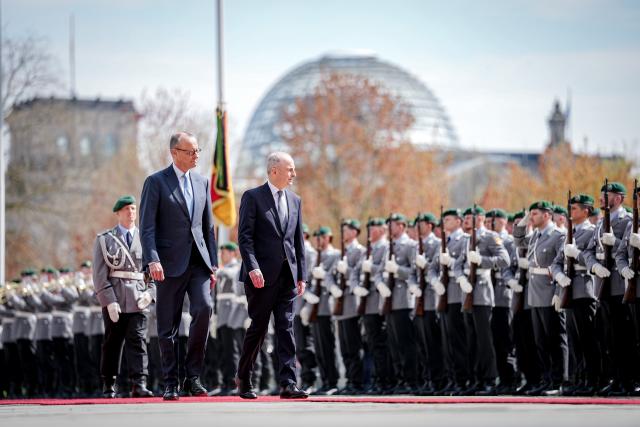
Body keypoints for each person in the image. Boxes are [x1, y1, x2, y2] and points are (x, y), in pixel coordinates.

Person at [140, 131, 218, 400]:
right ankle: (171, 381)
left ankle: (193, 376)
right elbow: (147, 228)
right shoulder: (156, 182)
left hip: (198, 262)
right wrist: (152, 260)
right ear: (175, 153)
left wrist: (214, 265)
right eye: (191, 151)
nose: (196, 155)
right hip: (167, 264)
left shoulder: (201, 182)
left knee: (204, 308)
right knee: (168, 326)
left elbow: (208, 227)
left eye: (198, 150)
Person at [236, 151, 308, 399]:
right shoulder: (253, 197)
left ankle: (288, 383)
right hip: (260, 277)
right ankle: (244, 378)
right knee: (259, 328)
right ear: (274, 170)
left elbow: (298, 241)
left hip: (288, 276)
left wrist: (302, 275)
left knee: (286, 327)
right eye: (290, 169)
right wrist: (253, 266)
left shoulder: (295, 200)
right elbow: (244, 237)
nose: (294, 174)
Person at [93, 195, 155, 398]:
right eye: (127, 209)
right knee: (112, 342)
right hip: (116, 298)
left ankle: (139, 383)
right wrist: (109, 301)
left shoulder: (146, 239)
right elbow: (100, 275)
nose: (131, 212)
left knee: (138, 340)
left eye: (134, 209)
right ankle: (109, 384)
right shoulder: (105, 240)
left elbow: (153, 270)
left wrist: (151, 292)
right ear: (118, 213)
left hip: (139, 298)